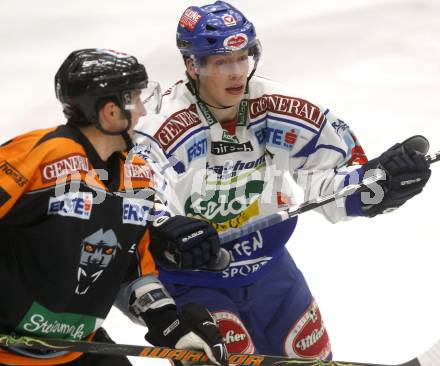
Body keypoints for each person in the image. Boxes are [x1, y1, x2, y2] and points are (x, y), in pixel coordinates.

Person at [133, 1, 433, 360]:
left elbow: (327, 182)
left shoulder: (281, 108)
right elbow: (138, 192)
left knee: (311, 357)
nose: (237, 73)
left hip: (271, 270)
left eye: (243, 58)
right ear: (192, 65)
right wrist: (166, 225)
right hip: (195, 281)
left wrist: (375, 186)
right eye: (222, 62)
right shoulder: (161, 125)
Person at [0, 48, 228, 366]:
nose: (144, 113)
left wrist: (172, 328)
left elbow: (134, 269)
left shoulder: (137, 176)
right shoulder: (38, 156)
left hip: (82, 349)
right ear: (110, 112)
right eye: (136, 99)